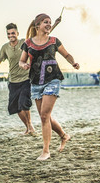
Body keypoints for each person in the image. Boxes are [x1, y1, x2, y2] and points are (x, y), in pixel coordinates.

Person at [19, 13, 80, 161]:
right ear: (37, 25)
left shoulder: (54, 41)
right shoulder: (28, 43)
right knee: (44, 116)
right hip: (35, 82)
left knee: (45, 116)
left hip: (53, 79)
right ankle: (64, 136)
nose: (48, 24)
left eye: (50, 22)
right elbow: (21, 61)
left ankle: (46, 151)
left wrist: (73, 63)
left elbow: (67, 55)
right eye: (45, 22)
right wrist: (24, 65)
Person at [0, 23, 35, 135]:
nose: (11, 35)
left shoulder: (23, 42)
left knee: (23, 103)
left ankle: (30, 126)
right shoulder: (5, 48)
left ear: (17, 33)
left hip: (26, 79)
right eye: (9, 34)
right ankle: (28, 127)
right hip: (13, 81)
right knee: (14, 108)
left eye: (13, 33)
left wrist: (34, 23)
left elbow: (36, 35)